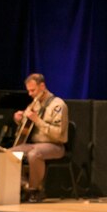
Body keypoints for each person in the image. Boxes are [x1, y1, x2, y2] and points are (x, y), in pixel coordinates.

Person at [12, 73, 68, 202]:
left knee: (34, 154)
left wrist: (37, 120)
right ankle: (25, 186)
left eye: (33, 90)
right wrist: (19, 120)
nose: (30, 94)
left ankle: (35, 190)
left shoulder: (58, 105)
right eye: (29, 91)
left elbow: (58, 134)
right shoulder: (34, 105)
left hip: (55, 145)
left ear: (42, 86)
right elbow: (25, 127)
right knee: (10, 154)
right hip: (35, 143)